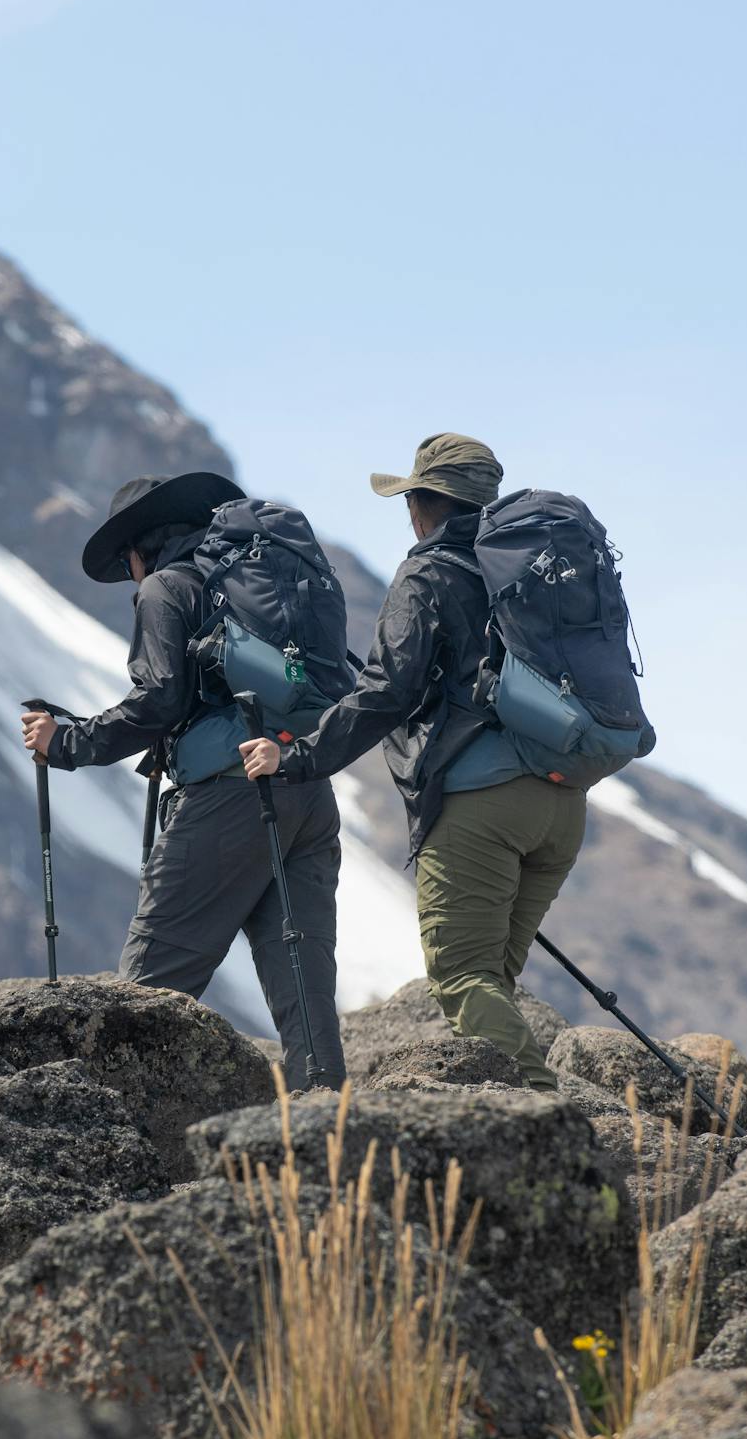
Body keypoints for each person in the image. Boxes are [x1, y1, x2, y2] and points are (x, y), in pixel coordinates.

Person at [237, 433, 567, 1092]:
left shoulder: (431, 572)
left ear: (423, 503)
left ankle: (556, 1124)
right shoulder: (533, 572)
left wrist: (298, 757)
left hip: (484, 805)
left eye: (410, 498)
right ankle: (515, 1139)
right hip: (562, 802)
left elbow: (385, 691)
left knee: (465, 982)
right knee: (492, 978)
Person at [19, 474, 348, 1092]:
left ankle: (116, 1136)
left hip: (228, 798)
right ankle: (326, 1130)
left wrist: (65, 741)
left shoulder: (167, 587)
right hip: (304, 786)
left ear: (140, 550)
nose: (131, 577)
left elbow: (159, 701)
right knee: (302, 983)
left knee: (150, 984)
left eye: (127, 565)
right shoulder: (252, 585)